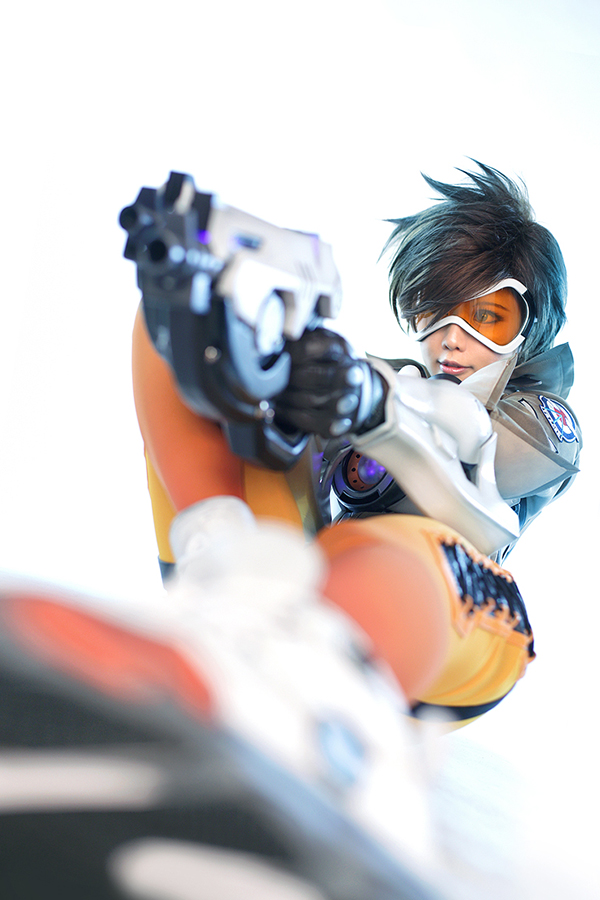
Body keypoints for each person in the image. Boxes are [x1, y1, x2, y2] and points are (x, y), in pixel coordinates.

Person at [131, 161, 581, 725]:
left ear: (531, 325)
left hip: (452, 620)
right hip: (299, 588)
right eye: (431, 312)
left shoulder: (541, 420)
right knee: (185, 316)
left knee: (398, 551)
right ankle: (223, 586)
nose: (450, 339)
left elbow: (490, 447)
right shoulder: (386, 376)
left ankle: (327, 707)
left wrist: (371, 401)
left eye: (486, 316)